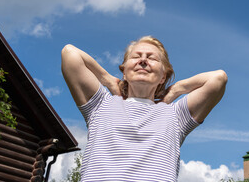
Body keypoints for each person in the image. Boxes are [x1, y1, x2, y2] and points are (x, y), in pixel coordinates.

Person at [61, 36, 227, 182]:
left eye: (152, 58)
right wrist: (108, 80)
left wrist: (176, 89)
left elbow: (218, 79)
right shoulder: (100, 104)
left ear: (163, 76)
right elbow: (70, 54)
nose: (143, 60)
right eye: (136, 56)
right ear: (124, 72)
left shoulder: (175, 115)